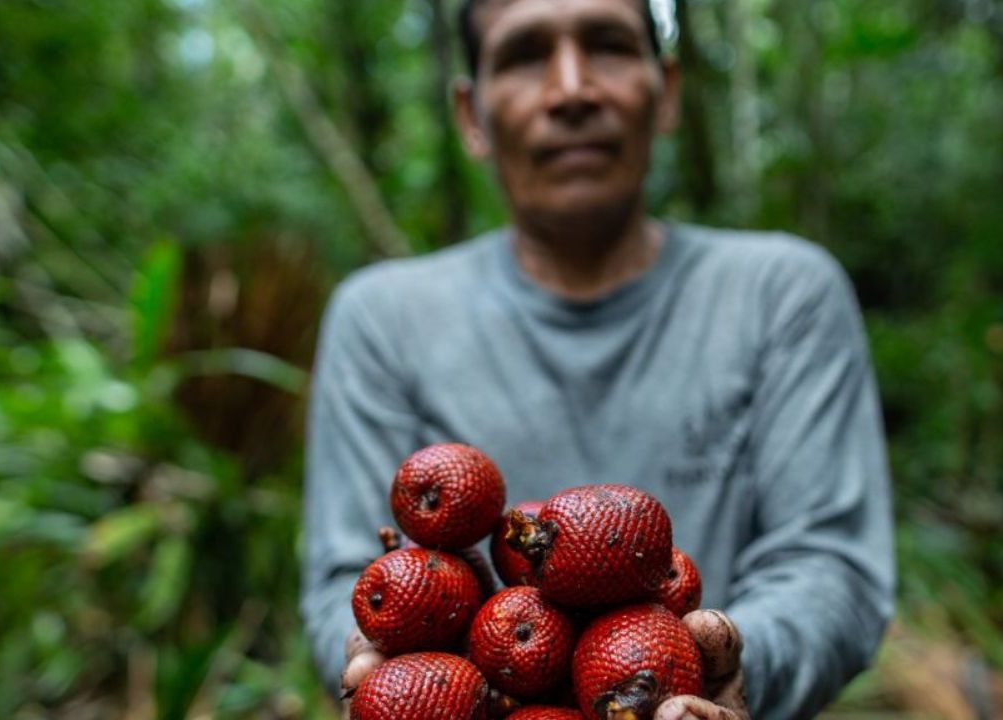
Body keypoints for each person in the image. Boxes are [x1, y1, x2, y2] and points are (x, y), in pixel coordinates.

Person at [301, 0, 895, 717]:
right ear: (470, 115)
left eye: (608, 45)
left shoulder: (781, 294)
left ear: (667, 90)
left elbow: (831, 565)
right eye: (525, 55)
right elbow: (345, 575)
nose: (572, 89)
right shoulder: (383, 318)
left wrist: (725, 669)